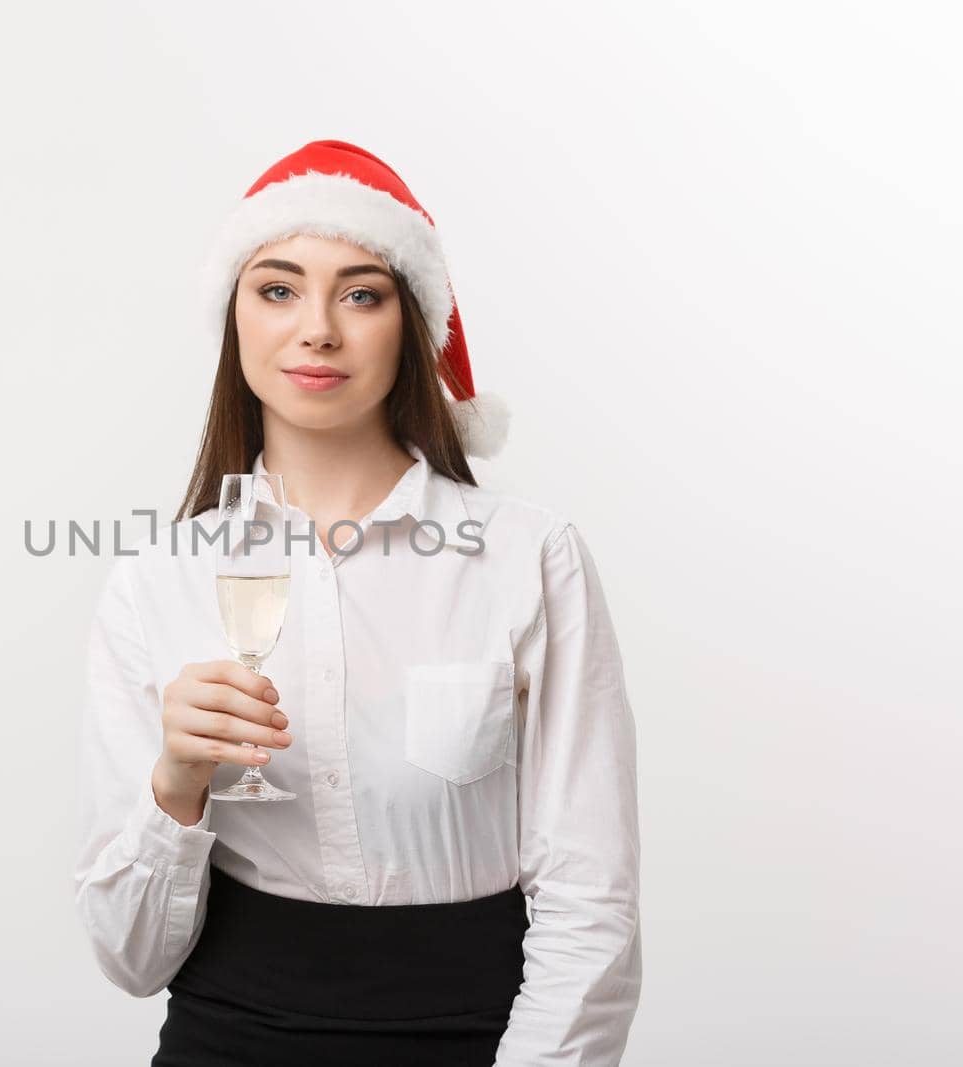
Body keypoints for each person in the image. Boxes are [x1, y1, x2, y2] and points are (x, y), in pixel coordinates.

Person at [71, 139, 642, 1066]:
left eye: (362, 293)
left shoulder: (527, 557)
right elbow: (131, 959)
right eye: (279, 288)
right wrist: (178, 783)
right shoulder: (157, 579)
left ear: (409, 324)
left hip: (470, 1038)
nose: (318, 329)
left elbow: (593, 900)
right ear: (236, 318)